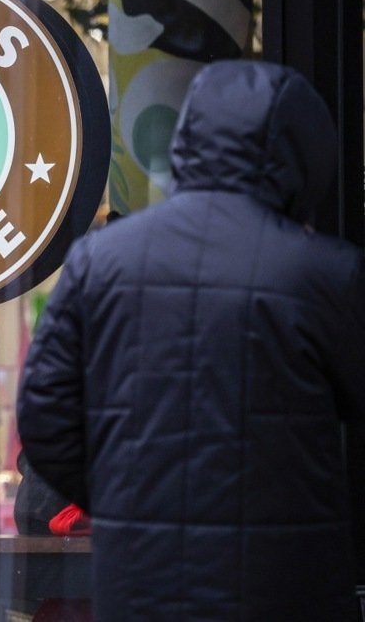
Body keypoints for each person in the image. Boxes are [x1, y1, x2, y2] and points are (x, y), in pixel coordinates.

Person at [18, 60, 365, 621]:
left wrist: (127, 501)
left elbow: (45, 421)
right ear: (306, 154)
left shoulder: (99, 262)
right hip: (287, 581)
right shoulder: (325, 272)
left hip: (139, 578)